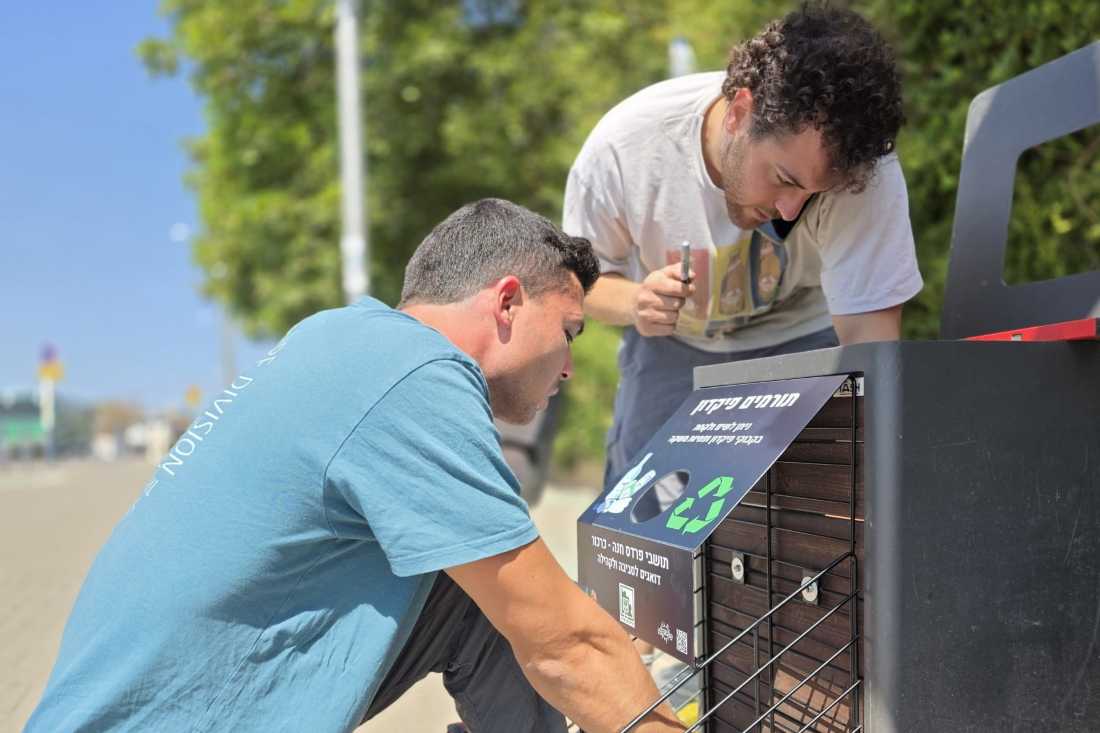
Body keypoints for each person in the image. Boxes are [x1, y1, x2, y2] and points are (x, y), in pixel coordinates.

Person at [25, 199, 681, 733]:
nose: (568, 366)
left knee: (477, 586)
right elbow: (566, 643)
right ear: (507, 302)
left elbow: (532, 607)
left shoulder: (343, 335)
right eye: (568, 332)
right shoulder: (416, 375)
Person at [563, 3, 923, 488]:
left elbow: (869, 343)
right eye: (783, 179)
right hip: (675, 347)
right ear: (739, 113)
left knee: (831, 503)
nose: (792, 209)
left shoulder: (863, 173)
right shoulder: (623, 149)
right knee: (640, 512)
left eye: (814, 193)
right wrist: (635, 301)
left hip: (805, 336)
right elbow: (579, 285)